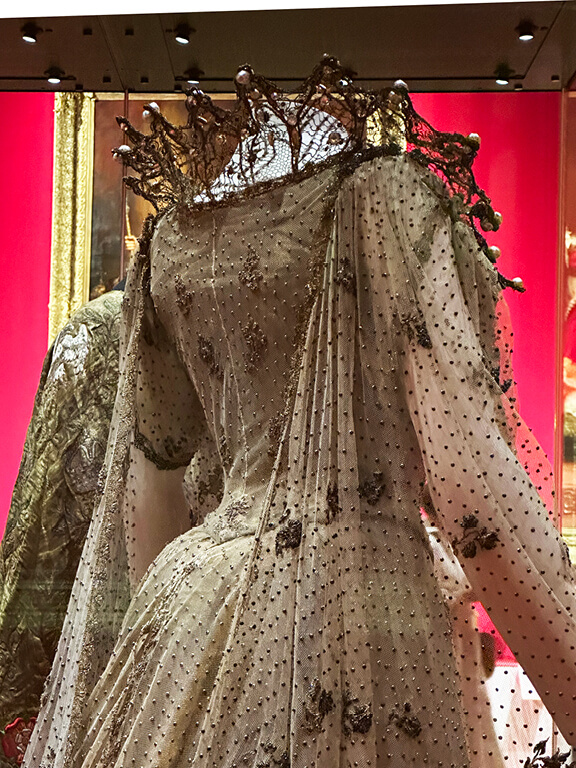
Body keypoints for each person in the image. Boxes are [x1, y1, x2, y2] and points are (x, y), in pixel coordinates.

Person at [25, 58, 576, 768]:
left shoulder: (172, 242)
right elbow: (475, 498)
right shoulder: (389, 201)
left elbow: (152, 501)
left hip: (188, 614)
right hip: (360, 623)